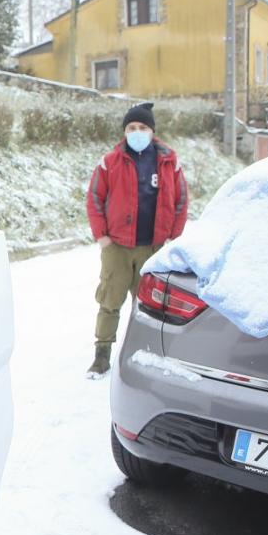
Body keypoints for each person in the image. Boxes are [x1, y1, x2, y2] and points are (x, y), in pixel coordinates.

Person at [85, 101, 188, 377]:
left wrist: (172, 238)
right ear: (125, 131)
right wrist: (102, 236)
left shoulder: (168, 160)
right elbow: (95, 198)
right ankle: (102, 354)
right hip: (117, 247)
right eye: (132, 127)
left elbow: (180, 201)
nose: (137, 131)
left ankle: (143, 351)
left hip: (152, 248)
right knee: (110, 299)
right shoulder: (110, 162)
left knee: (147, 305)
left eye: (143, 127)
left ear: (152, 131)